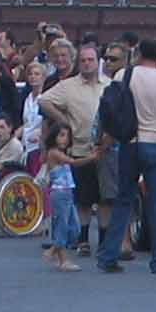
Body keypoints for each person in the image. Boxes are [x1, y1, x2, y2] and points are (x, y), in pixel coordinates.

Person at [104, 38, 156, 276]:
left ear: (138, 53)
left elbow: (110, 106)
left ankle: (109, 255)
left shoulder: (124, 75)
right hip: (155, 141)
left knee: (123, 200)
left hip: (130, 141)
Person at [38, 40, 109, 252]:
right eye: (83, 60)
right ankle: (83, 240)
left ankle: (104, 241)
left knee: (104, 199)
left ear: (98, 62)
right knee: (83, 200)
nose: (87, 64)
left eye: (91, 60)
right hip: (78, 149)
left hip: (104, 150)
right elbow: (43, 101)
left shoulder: (109, 85)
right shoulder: (68, 86)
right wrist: (63, 121)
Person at [38, 120, 82, 271]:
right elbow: (73, 162)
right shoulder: (54, 153)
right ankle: (61, 258)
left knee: (74, 228)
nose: (65, 139)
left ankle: (55, 252)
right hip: (59, 194)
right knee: (62, 226)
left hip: (67, 193)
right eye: (61, 135)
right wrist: (92, 158)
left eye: (67, 136)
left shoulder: (61, 153)